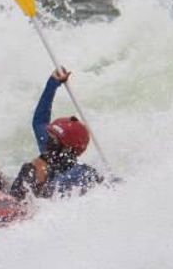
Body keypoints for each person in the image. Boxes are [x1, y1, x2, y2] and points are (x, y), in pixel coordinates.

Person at [9, 68, 104, 200]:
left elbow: (105, 186)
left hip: (48, 208)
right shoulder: (52, 148)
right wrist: (53, 83)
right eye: (49, 135)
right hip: (26, 200)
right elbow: (39, 121)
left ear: (67, 148)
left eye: (52, 139)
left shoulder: (80, 174)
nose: (47, 140)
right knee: (28, 170)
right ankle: (12, 202)